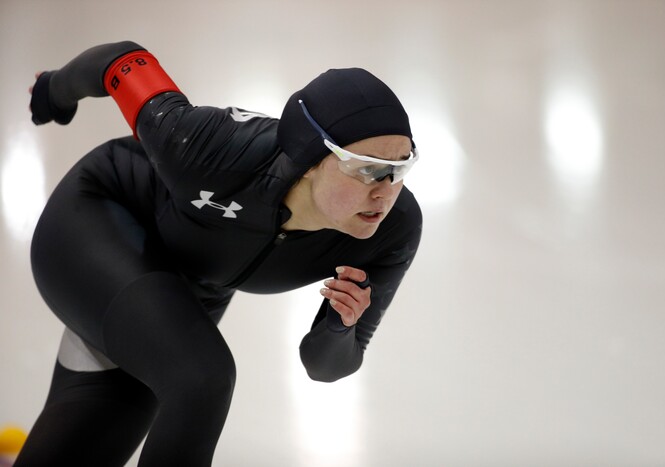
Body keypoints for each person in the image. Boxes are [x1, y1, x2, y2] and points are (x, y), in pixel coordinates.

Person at [16, 41, 422, 467]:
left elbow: (324, 368)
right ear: (310, 159)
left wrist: (341, 327)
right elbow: (123, 61)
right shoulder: (210, 147)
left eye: (401, 167)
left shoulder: (393, 230)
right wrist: (54, 92)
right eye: (366, 168)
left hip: (186, 289)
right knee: (200, 380)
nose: (386, 190)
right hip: (98, 222)